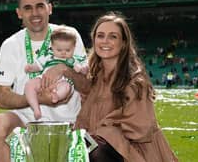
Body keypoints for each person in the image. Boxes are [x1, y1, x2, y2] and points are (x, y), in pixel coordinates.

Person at [54, 12, 178, 161]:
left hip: (133, 153)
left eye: (113, 36)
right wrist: (61, 69)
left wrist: (104, 129)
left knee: (97, 150)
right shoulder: (96, 77)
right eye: (100, 36)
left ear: (124, 42)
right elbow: (83, 89)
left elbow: (142, 127)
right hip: (100, 149)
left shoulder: (134, 80)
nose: (105, 41)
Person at [0, 0, 87, 162]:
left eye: (40, 6)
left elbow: (87, 85)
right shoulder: (10, 45)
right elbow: (1, 98)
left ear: (49, 8)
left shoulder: (70, 35)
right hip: (26, 120)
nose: (35, 13)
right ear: (19, 13)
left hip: (69, 120)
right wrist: (37, 99)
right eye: (28, 8)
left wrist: (64, 70)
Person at [24, 25, 88, 120]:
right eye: (59, 50)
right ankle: (36, 108)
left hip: (62, 81)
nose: (63, 53)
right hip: (44, 80)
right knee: (29, 85)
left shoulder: (72, 60)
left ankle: (56, 96)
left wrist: (82, 69)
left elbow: (79, 69)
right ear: (52, 47)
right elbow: (38, 65)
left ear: (74, 48)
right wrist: (31, 67)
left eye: (67, 50)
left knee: (66, 87)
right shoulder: (48, 57)